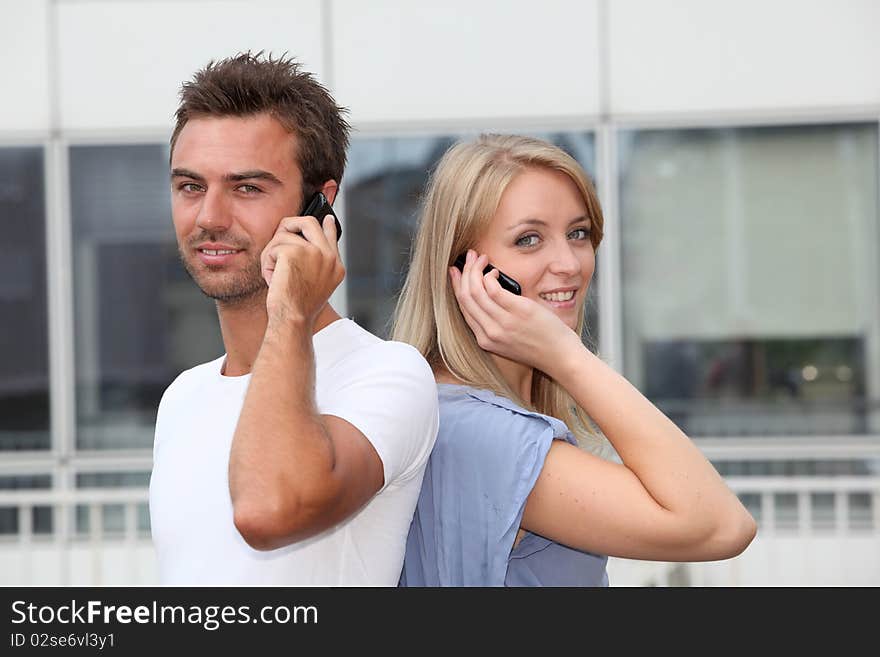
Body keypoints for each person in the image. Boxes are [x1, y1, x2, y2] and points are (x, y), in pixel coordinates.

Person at [393, 134, 757, 586]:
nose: (569, 263)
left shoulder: (459, 411)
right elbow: (722, 526)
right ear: (465, 268)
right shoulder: (485, 433)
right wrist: (567, 356)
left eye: (578, 233)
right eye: (529, 240)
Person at [148, 52, 439, 586]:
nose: (209, 217)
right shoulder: (182, 397)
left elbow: (268, 510)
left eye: (247, 188)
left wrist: (289, 311)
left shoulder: (387, 374)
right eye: (190, 186)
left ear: (319, 203)